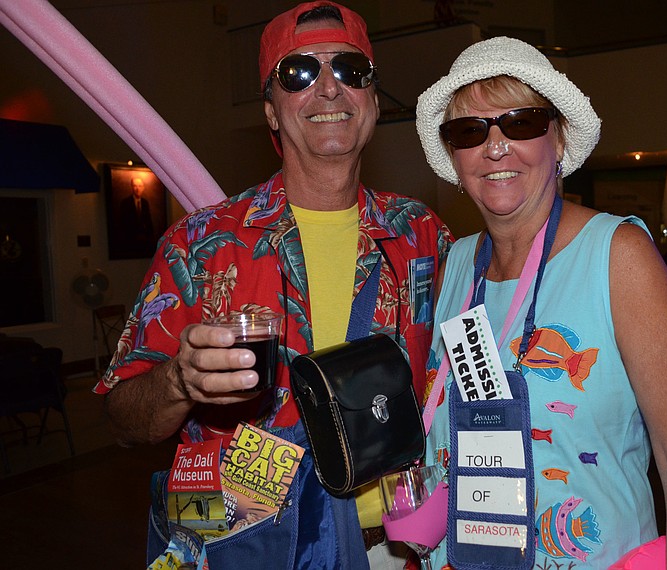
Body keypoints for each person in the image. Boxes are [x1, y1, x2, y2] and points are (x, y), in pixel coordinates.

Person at [94, 2, 452, 568]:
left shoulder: (422, 235)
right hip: (246, 548)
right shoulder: (200, 245)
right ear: (271, 111)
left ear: (375, 102)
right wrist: (179, 381)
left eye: (351, 70)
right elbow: (122, 417)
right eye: (299, 73)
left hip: (394, 548)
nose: (330, 89)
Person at [414, 37, 667, 568]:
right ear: (453, 156)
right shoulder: (454, 266)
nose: (495, 147)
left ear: (557, 140)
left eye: (520, 123)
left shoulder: (618, 257)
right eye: (470, 131)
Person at [116, 175, 156, 256]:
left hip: (144, 240)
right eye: (135, 186)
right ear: (132, 187)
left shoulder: (145, 203)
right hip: (129, 240)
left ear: (143, 188)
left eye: (140, 186)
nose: (137, 189)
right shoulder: (125, 202)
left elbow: (148, 221)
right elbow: (122, 223)